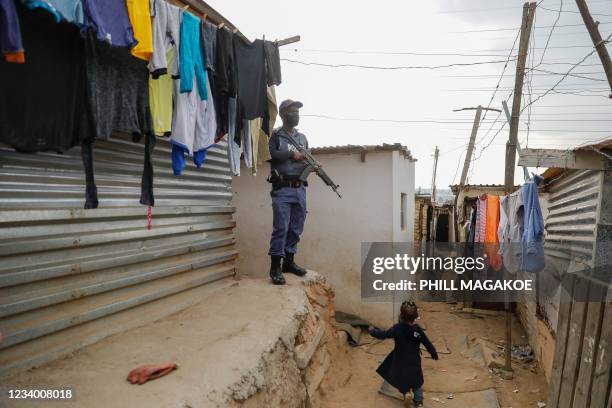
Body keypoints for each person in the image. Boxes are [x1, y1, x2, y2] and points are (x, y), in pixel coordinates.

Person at [267, 99, 310, 285]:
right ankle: (275, 267)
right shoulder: (276, 136)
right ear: (284, 114)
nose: (297, 115)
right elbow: (271, 155)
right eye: (293, 112)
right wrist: (292, 154)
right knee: (281, 228)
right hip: (282, 189)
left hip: (299, 189)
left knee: (296, 228)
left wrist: (312, 165)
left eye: (298, 112)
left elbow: (306, 158)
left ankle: (289, 262)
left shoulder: (303, 138)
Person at [369, 301, 438, 407]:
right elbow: (427, 343)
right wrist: (434, 354)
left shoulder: (397, 329)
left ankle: (406, 394)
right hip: (414, 361)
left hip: (400, 361)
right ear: (416, 316)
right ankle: (419, 402)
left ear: (401, 315)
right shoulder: (418, 330)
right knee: (417, 382)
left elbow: (384, 335)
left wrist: (372, 331)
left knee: (403, 379)